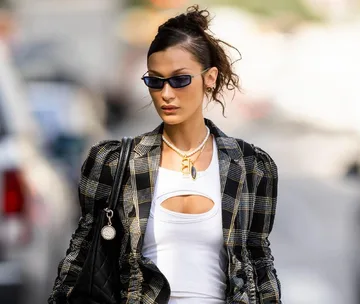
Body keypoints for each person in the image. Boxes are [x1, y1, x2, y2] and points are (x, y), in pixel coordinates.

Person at [49, 5, 281, 304]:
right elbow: (81, 255)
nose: (167, 93)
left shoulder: (252, 166)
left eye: (180, 79)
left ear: (209, 78)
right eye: (155, 81)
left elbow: (259, 263)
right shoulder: (114, 161)